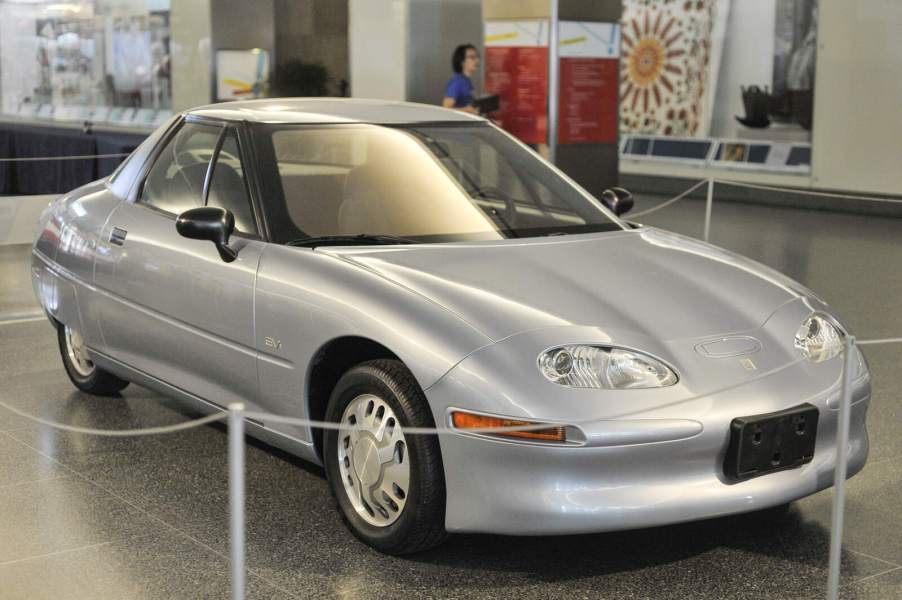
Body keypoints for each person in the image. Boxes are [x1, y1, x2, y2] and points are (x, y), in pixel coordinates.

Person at [442, 44, 479, 113]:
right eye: (472, 57)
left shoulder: (467, 80)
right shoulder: (457, 82)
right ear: (462, 61)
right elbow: (446, 110)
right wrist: (468, 110)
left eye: (477, 57)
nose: (477, 60)